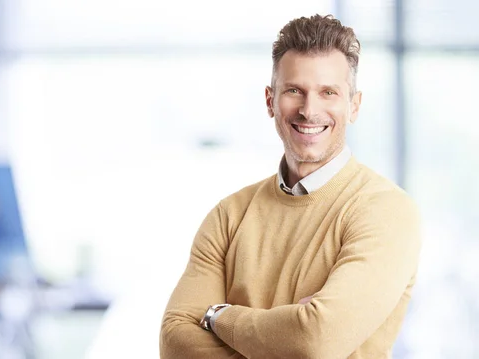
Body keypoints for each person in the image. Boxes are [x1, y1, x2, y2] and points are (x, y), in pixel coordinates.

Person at [159, 14, 421, 359]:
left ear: (353, 106)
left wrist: (217, 316)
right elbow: (175, 341)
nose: (309, 111)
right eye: (294, 91)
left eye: (329, 92)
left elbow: (314, 340)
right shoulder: (229, 215)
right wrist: (288, 329)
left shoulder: (387, 211)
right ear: (270, 100)